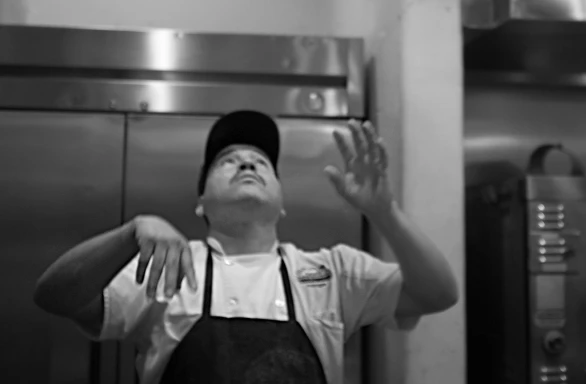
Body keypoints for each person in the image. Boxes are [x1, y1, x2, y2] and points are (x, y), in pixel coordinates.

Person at [34, 110, 458, 384]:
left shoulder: (332, 271)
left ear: (282, 203)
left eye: (262, 162)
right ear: (201, 203)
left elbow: (438, 294)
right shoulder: (167, 267)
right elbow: (54, 295)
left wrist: (386, 213)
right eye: (228, 161)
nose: (248, 163)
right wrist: (131, 232)